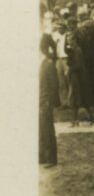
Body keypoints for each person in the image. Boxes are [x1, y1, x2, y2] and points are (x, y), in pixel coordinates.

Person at [39, 36, 59, 167]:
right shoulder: (43, 63)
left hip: (46, 101)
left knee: (47, 129)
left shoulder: (49, 64)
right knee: (41, 129)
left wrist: (49, 101)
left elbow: (53, 85)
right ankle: (42, 156)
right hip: (41, 99)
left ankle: (51, 158)